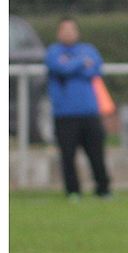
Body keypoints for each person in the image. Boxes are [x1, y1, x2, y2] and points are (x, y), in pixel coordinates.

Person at [44, 17, 111, 199]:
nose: (68, 33)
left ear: (77, 32)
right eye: (64, 30)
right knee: (68, 155)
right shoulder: (53, 51)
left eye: (71, 29)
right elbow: (61, 69)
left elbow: (95, 68)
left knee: (96, 153)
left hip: (89, 112)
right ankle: (73, 191)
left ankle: (103, 189)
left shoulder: (88, 49)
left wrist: (71, 63)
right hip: (64, 114)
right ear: (59, 33)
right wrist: (81, 63)